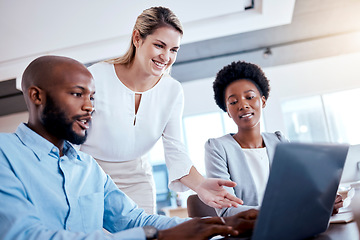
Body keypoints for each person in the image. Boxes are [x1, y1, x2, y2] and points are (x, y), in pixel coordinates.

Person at [0, 55, 258, 240]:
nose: (90, 106)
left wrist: (218, 223)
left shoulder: (87, 167)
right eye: (77, 94)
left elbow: (134, 219)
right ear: (37, 96)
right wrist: (155, 236)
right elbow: (25, 235)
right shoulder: (5, 153)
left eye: (92, 97)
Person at [79, 6, 242, 214]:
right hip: (90, 176)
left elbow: (175, 150)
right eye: (159, 45)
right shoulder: (95, 77)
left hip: (137, 182)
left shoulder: (172, 91)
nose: (166, 57)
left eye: (173, 50)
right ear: (137, 38)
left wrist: (200, 184)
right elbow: (70, 138)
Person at [204, 60, 343, 217]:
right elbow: (227, 211)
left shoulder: (279, 141)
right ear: (227, 111)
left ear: (262, 101)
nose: (243, 105)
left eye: (249, 97)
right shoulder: (217, 148)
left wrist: (322, 200)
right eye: (233, 102)